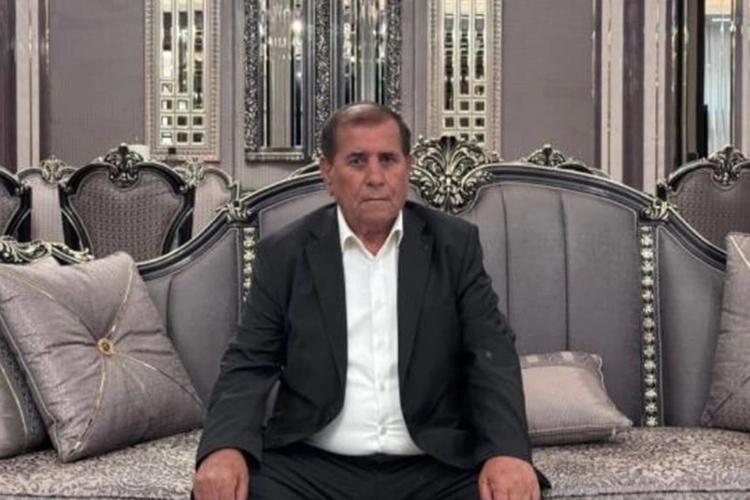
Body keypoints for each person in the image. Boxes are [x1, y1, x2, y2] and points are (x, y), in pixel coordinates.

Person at [193, 102, 547, 499]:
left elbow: (491, 354)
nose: (376, 177)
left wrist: (506, 452)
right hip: (313, 466)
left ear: (408, 168)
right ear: (328, 173)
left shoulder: (454, 246)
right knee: (235, 491)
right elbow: (249, 360)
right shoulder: (286, 254)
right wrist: (224, 447)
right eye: (357, 161)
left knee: (508, 492)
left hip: (433, 465)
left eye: (388, 160)